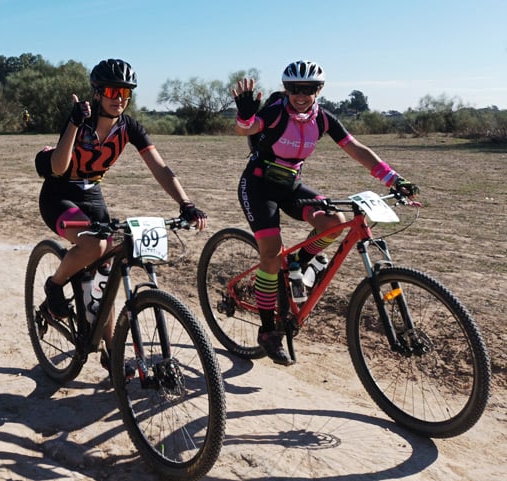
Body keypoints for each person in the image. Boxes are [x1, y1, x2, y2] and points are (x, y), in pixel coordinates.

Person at [230, 60, 419, 366]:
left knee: (336, 221)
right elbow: (246, 129)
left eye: (308, 89)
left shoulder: (324, 119)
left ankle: (296, 265)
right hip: (258, 185)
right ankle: (267, 331)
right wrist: (245, 113)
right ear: (287, 88)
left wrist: (393, 178)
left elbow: (355, 148)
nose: (300, 95)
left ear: (319, 89)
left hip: (291, 185)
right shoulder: (277, 111)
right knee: (269, 254)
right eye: (294, 88)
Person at [37, 58, 207, 372]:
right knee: (95, 246)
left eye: (126, 92)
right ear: (98, 92)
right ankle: (54, 285)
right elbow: (59, 167)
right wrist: (73, 123)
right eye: (114, 91)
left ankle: (111, 350)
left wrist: (185, 203)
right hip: (59, 194)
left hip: (90, 194)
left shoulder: (129, 127)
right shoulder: (82, 118)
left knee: (108, 266)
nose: (119, 98)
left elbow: (159, 167)